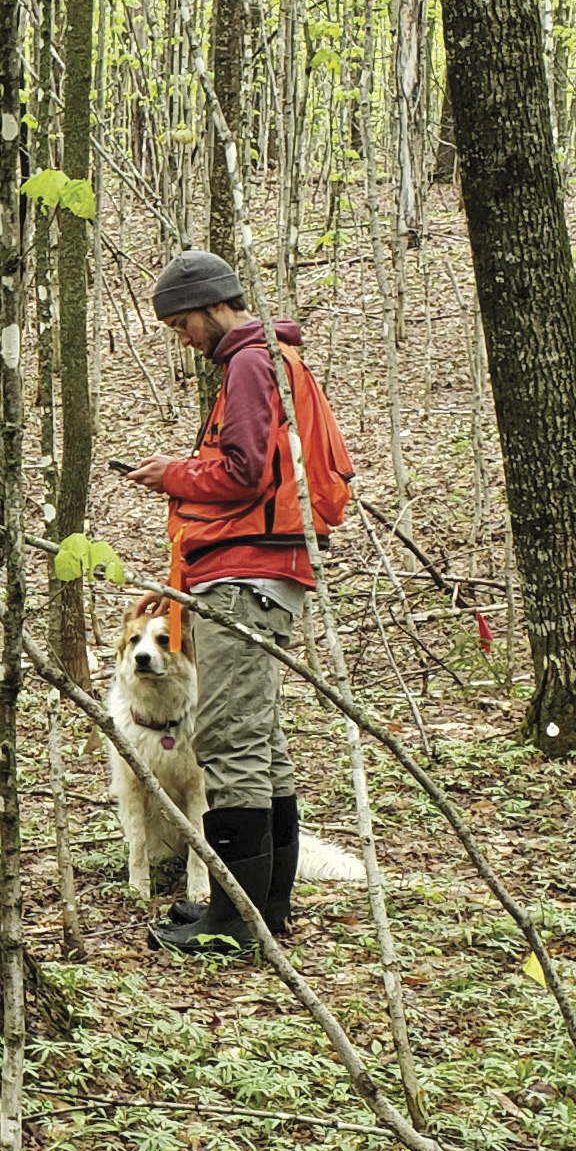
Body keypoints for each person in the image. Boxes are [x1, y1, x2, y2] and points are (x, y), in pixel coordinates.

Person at [125, 249, 351, 952]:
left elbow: (245, 471)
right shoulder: (270, 361)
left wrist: (174, 474)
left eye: (181, 322)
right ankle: (264, 908)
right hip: (264, 570)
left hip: (246, 572)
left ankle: (237, 920)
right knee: (261, 738)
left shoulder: (253, 363)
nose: (181, 337)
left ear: (212, 305)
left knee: (229, 739)